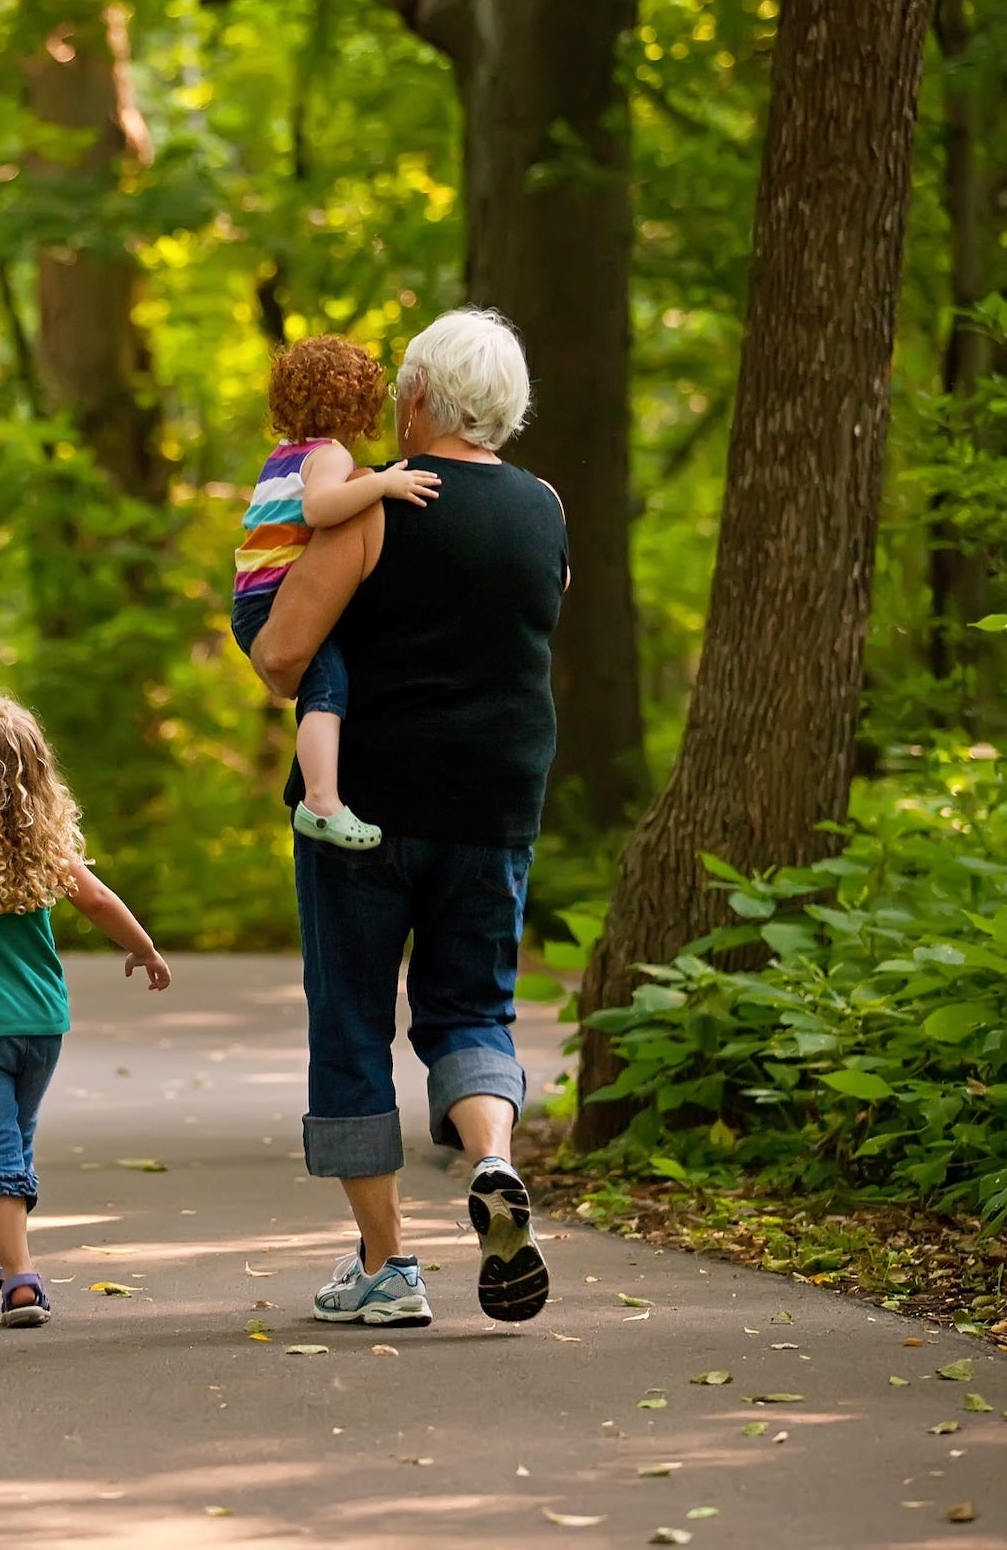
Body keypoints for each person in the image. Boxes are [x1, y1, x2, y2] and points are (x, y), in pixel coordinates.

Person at [247, 307, 566, 1329]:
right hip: (493, 806)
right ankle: (494, 1159)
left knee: (351, 1025)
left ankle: (388, 1266)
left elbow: (281, 657)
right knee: (472, 1010)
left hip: (366, 812)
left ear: (419, 396)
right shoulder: (546, 509)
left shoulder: (372, 510)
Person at [0, 694, 173, 1330]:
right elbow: (99, 901)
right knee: (12, 1146)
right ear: (35, 774)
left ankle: (20, 1280)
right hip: (42, 1023)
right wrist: (146, 950)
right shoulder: (40, 843)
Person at [231, 336, 442, 852]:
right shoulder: (329, 455)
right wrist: (383, 485)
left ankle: (323, 797)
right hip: (273, 603)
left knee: (324, 687)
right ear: (358, 405)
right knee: (328, 691)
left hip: (251, 602)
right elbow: (320, 510)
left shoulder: (283, 456)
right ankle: (322, 802)